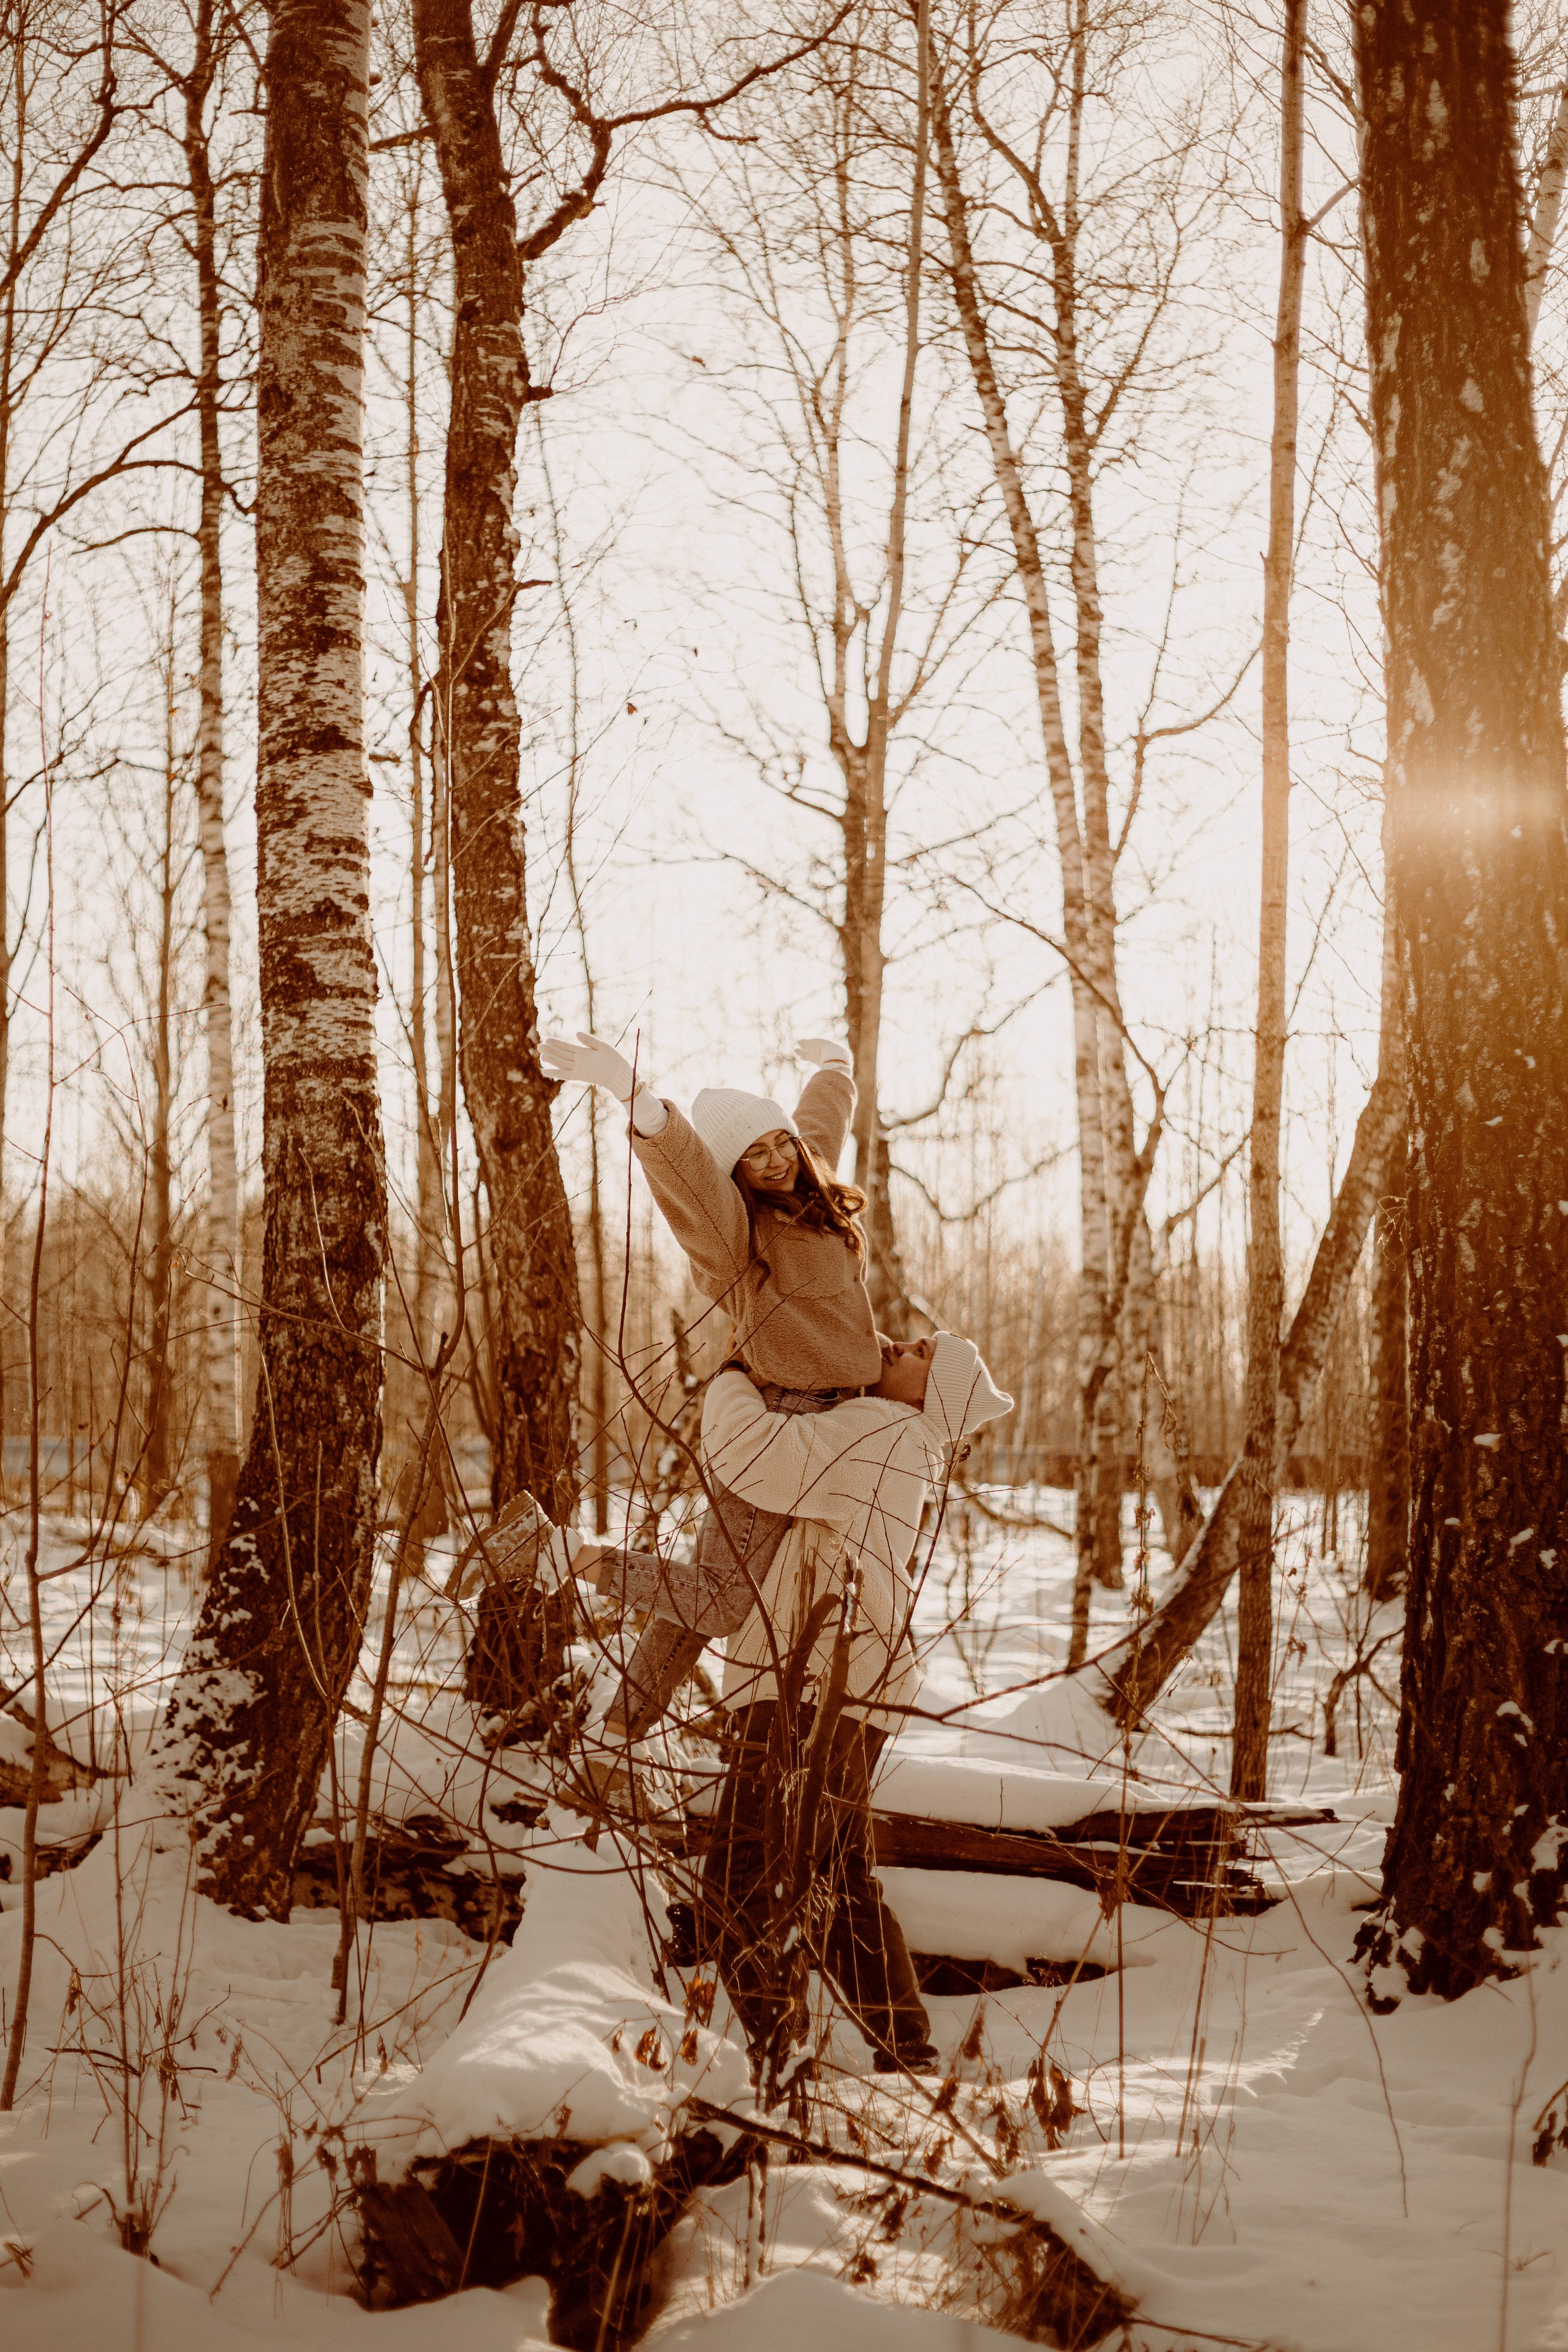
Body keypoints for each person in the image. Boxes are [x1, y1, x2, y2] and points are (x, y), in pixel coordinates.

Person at [576, 1330, 1013, 2083]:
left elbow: (755, 1456)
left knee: (744, 1875)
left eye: (918, 1352)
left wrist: (732, 1374)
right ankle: (903, 2050)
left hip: (808, 1683)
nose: (897, 1344)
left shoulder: (881, 1430)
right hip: (849, 1683)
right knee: (838, 1879)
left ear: (928, 1393)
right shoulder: (895, 1437)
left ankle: (777, 2057)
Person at [539, 1027, 884, 1735]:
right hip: (780, 1428)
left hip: (832, 1424)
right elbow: (691, 1180)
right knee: (725, 1601)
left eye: (778, 1143)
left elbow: (818, 1123)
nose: (775, 1160)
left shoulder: (808, 1183)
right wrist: (635, 1098)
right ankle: (560, 1553)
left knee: (703, 1597)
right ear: (736, 1171)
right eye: (753, 1156)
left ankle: (617, 1735)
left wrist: (835, 1066)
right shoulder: (739, 1233)